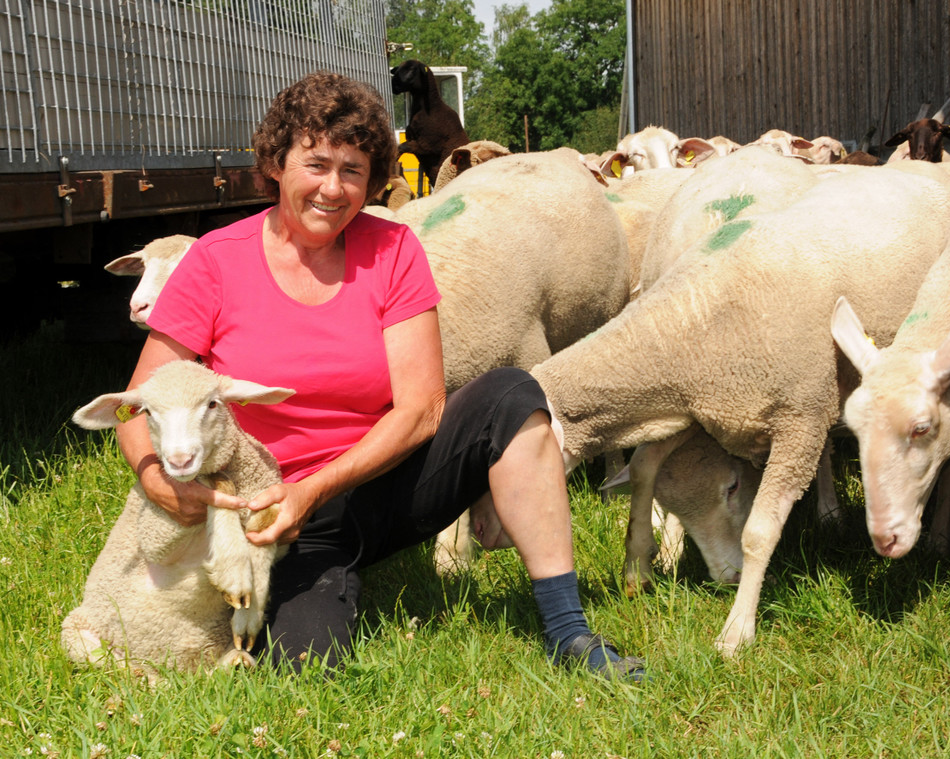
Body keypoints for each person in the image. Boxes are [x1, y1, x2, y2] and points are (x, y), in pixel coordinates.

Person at [114, 71, 644, 681]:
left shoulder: (393, 250)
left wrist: (314, 491)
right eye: (316, 164)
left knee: (511, 393)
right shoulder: (215, 261)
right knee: (306, 666)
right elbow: (136, 401)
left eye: (353, 171)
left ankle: (567, 630)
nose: (332, 188)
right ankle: (321, 582)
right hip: (268, 514)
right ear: (276, 164)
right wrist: (154, 476)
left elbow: (421, 409)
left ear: (372, 181)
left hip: (378, 485)